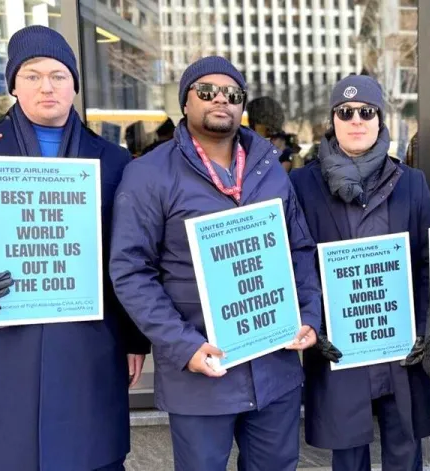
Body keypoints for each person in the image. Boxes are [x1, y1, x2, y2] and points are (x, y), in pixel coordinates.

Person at [0, 25, 149, 471]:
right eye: (33, 74)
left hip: (90, 343)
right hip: (9, 344)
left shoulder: (113, 159)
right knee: (12, 455)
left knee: (93, 455)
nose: (47, 86)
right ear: (14, 85)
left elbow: (127, 255)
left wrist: (136, 338)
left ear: (74, 85)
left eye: (59, 75)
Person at [108, 56, 322, 471]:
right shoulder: (149, 174)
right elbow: (131, 271)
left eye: (232, 93)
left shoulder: (270, 168)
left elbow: (298, 249)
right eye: (206, 91)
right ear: (185, 102)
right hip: (202, 371)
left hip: (273, 366)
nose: (220, 99)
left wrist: (309, 314)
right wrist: (183, 346)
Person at [289, 75, 430, 471]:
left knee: (405, 452)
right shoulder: (301, 184)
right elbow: (293, 261)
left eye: (366, 112)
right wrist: (313, 326)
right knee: (348, 456)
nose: (356, 120)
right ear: (333, 120)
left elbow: (427, 262)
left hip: (399, 348)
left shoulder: (412, 183)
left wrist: (422, 325)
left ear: (380, 119)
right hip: (340, 347)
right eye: (346, 112)